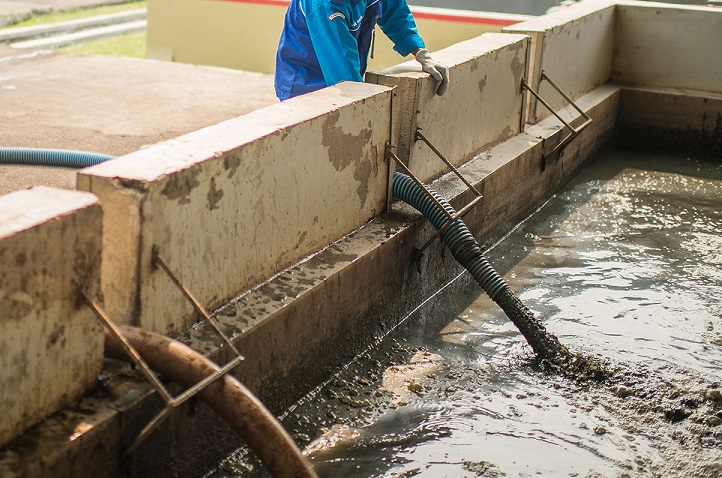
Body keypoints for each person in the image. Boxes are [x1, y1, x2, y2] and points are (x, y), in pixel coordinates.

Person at [274, 0, 450, 101]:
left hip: (341, 73)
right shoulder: (325, 5)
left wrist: (421, 53)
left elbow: (395, 12)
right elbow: (342, 66)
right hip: (304, 83)